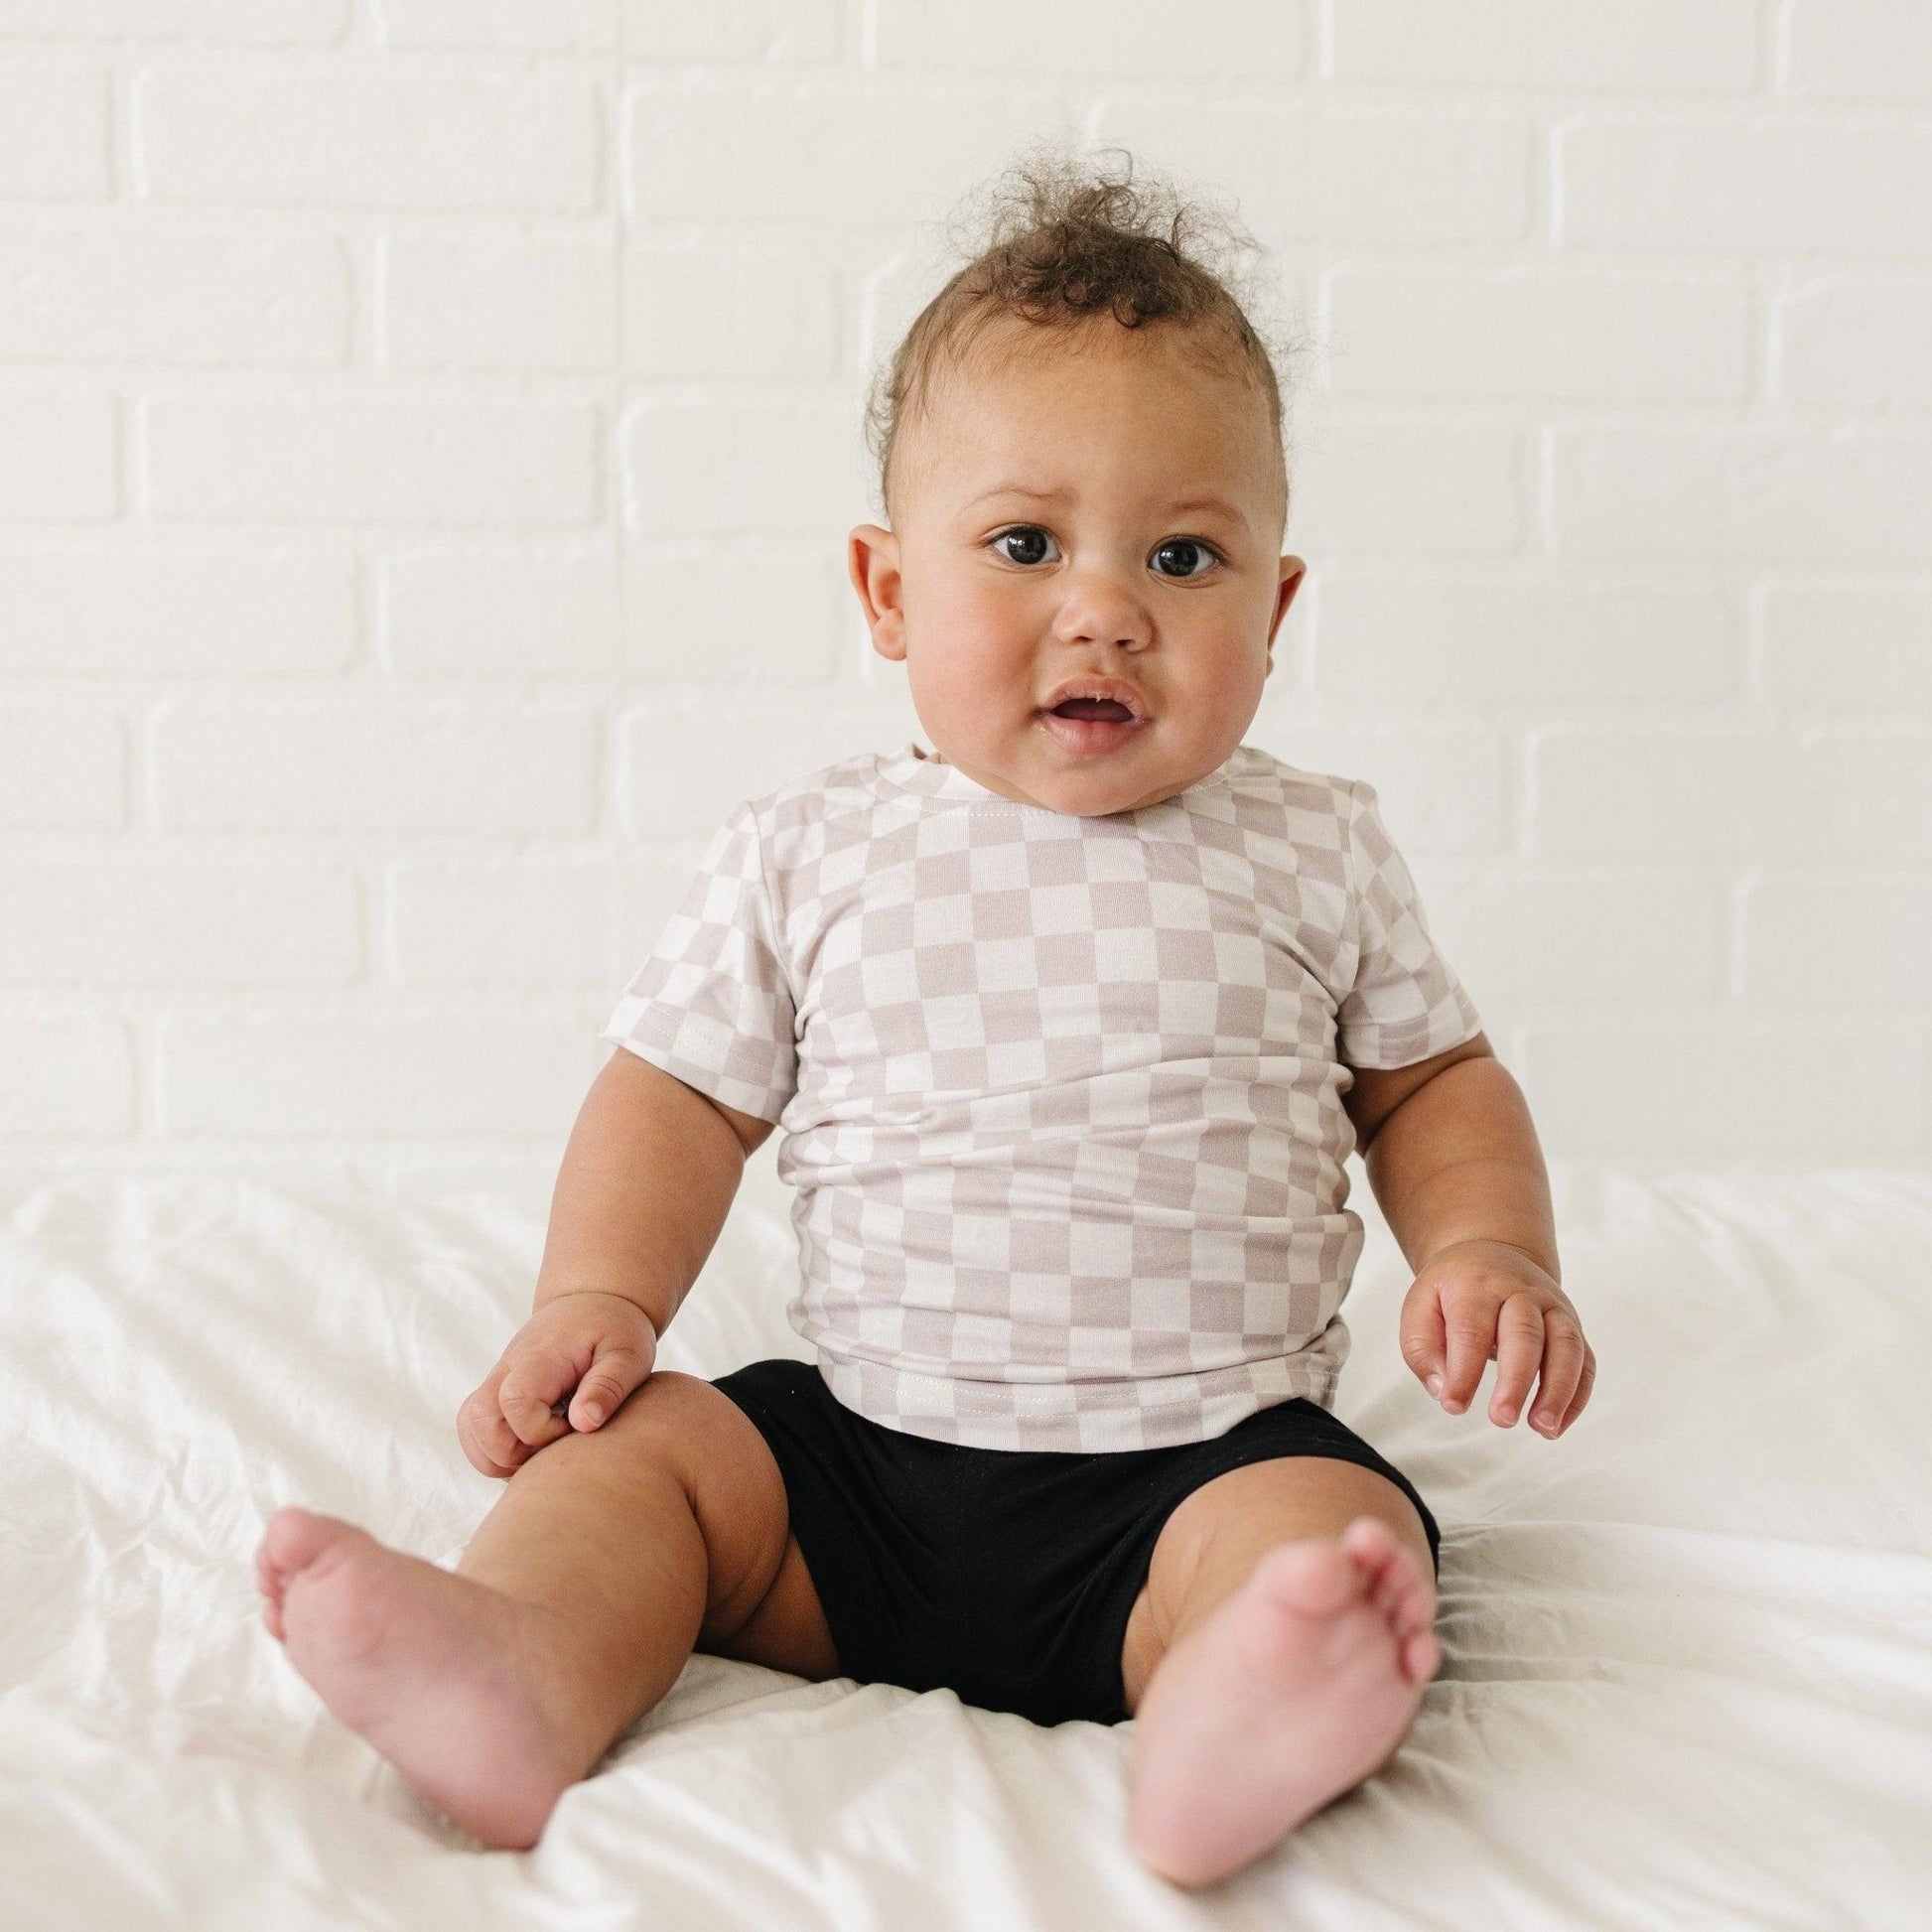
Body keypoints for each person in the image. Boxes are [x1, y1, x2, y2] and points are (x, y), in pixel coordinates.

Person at [255, 143, 1595, 1890]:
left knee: (1335, 1539)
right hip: (851, 1482)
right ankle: (521, 1665)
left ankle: (1228, 1725)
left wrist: (1488, 1246)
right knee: (644, 1463)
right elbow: (674, 1091)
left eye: (1183, 555)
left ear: (1272, 610)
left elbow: (1429, 1082)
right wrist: (599, 1296)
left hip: (1190, 1485)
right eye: (1025, 542)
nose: (1103, 607)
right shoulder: (811, 848)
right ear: (890, 592)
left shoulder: (1313, 844)